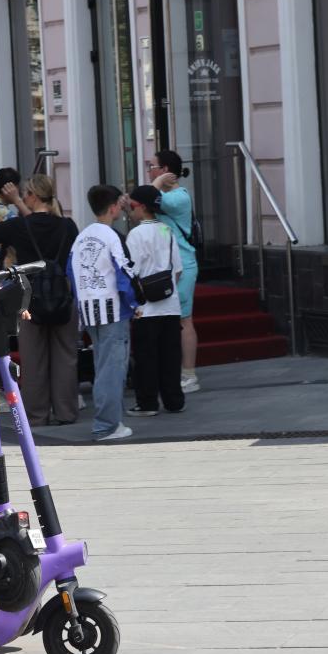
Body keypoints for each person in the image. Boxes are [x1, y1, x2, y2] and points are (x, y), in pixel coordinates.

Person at [0, 173, 80, 426]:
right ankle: (66, 412)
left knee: (33, 359)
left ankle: (36, 415)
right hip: (63, 296)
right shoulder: (68, 226)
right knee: (66, 357)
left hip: (30, 300)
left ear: (31, 196)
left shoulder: (22, 226)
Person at [68, 185, 137, 441]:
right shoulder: (112, 237)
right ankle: (107, 425)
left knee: (102, 365)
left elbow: (72, 274)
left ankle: (110, 420)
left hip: (89, 310)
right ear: (113, 207)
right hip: (112, 309)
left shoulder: (81, 237)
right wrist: (134, 303)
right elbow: (124, 273)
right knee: (112, 367)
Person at [125, 185, 186, 416]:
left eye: (131, 206)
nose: (130, 211)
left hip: (146, 308)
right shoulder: (167, 231)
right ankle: (174, 400)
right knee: (171, 355)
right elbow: (177, 269)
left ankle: (148, 402)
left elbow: (132, 271)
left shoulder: (136, 235)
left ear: (140, 206)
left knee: (146, 357)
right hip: (171, 304)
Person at [149, 150, 200, 393]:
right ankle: (169, 370)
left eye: (153, 166)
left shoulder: (179, 197)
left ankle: (189, 374)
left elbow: (149, 198)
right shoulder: (163, 194)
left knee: (184, 320)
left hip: (184, 264)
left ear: (166, 170)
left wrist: (157, 184)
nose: (150, 170)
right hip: (164, 266)